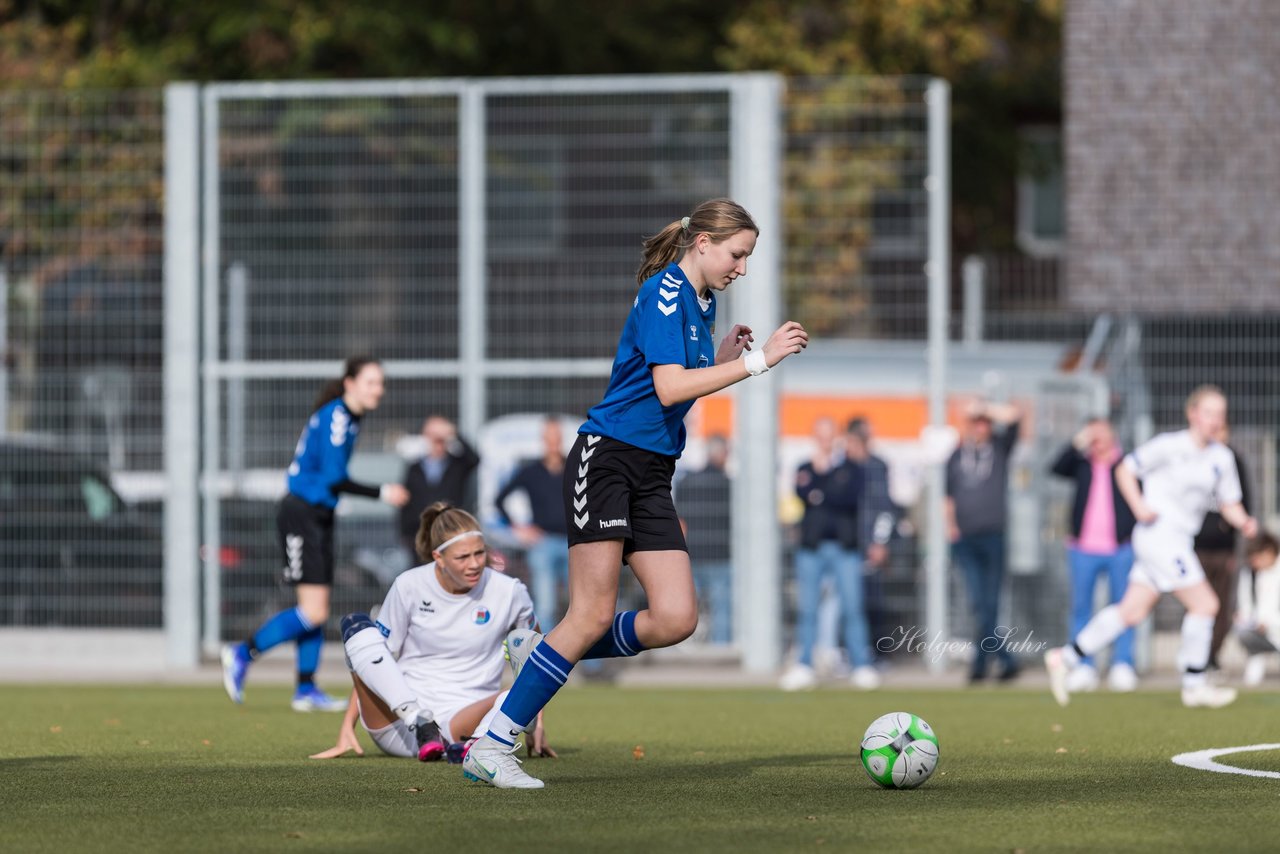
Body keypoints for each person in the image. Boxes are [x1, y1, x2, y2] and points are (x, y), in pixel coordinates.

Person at [460, 198, 808, 789]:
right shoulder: (665, 292)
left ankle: (539, 651)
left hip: (653, 473)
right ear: (703, 243)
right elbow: (669, 389)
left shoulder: (703, 302)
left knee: (676, 618)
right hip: (608, 460)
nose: (742, 268)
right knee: (591, 613)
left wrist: (721, 357)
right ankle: (491, 745)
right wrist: (754, 361)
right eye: (737, 254)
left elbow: (676, 387)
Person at [1045, 385, 1258, 708]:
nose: (1216, 420)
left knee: (1131, 612)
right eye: (1209, 412)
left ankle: (1066, 657)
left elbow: (1230, 502)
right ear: (1193, 414)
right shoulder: (1168, 445)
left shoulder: (1222, 457)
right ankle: (1194, 683)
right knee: (1206, 605)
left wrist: (1244, 521)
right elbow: (1124, 470)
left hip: (1178, 540)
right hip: (1159, 536)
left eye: (1221, 414)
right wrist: (1140, 507)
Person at [221, 357, 410, 711]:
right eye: (371, 382)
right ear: (350, 383)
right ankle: (242, 652)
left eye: (380, 383)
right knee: (312, 611)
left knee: (315, 610)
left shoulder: (350, 417)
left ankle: (306, 688)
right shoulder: (338, 416)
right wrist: (383, 492)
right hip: (301, 514)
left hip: (319, 515)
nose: (378, 390)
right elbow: (335, 477)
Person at [309, 502, 555, 762]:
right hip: (399, 724)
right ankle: (420, 721)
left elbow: (534, 659)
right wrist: (347, 726)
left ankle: (477, 747)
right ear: (438, 557)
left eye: (479, 553)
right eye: (462, 557)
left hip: (466, 720)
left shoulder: (511, 591)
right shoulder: (408, 585)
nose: (474, 564)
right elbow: (371, 661)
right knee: (356, 626)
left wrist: (535, 723)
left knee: (513, 694)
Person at [780, 417, 879, 691]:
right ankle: (804, 665)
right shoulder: (803, 466)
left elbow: (846, 497)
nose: (824, 440)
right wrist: (823, 487)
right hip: (811, 548)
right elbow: (802, 494)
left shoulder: (851, 467)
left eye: (829, 435)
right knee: (808, 609)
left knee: (852, 607)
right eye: (819, 434)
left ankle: (861, 664)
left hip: (844, 547)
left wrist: (819, 488)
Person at [1048, 418, 1138, 693]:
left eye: (1102, 432)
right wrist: (1078, 442)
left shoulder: (1127, 464)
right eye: (1093, 433)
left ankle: (1122, 664)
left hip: (1121, 547)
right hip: (1083, 548)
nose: (1097, 438)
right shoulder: (1081, 463)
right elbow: (1056, 468)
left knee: (1125, 608)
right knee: (1081, 609)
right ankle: (1082, 666)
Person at [944, 399, 1023, 683]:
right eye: (975, 423)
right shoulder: (957, 455)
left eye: (984, 423)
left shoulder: (999, 449)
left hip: (993, 536)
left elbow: (1015, 417)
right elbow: (948, 496)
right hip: (965, 539)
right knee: (978, 602)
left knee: (990, 603)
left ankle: (980, 666)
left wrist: (983, 408)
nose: (979, 428)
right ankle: (1004, 659)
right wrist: (950, 526)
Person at [494, 418, 571, 629]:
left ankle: (593, 661)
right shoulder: (531, 472)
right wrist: (518, 527)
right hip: (543, 543)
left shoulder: (574, 468)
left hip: (574, 542)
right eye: (549, 437)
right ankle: (545, 657)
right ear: (543, 439)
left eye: (557, 436)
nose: (553, 441)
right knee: (545, 605)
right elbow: (500, 500)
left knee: (582, 603)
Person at [1193, 423, 1251, 671]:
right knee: (1199, 605)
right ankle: (1194, 658)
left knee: (1221, 606)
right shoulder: (1193, 460)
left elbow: (1241, 502)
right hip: (1195, 546)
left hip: (1224, 548)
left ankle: (1211, 656)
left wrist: (1242, 531)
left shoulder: (1232, 461)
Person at [845, 417, 897, 658]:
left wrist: (880, 542)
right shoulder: (844, 467)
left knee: (873, 601)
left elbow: (885, 508)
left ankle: (877, 653)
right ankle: (849, 652)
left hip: (870, 545)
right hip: (848, 544)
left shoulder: (877, 467)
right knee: (849, 602)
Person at [675, 434, 734, 645]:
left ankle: (684, 649)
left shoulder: (687, 482)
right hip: (720, 555)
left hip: (691, 553)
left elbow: (679, 521)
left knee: (686, 608)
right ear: (723, 454)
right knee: (722, 609)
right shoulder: (729, 485)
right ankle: (721, 650)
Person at [399, 416, 480, 554]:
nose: (437, 443)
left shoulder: (457, 465)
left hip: (451, 531)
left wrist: (454, 433)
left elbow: (475, 459)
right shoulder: (415, 467)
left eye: (440, 439)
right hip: (420, 533)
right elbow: (406, 500)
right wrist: (406, 532)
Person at [1235, 532, 1280, 687]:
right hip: (1260, 632)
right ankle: (1254, 670)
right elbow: (1245, 604)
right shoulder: (1250, 574)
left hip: (1276, 629)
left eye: (1256, 558)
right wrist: (1244, 618)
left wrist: (1270, 623)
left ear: (1268, 552)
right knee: (1244, 634)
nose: (1254, 564)